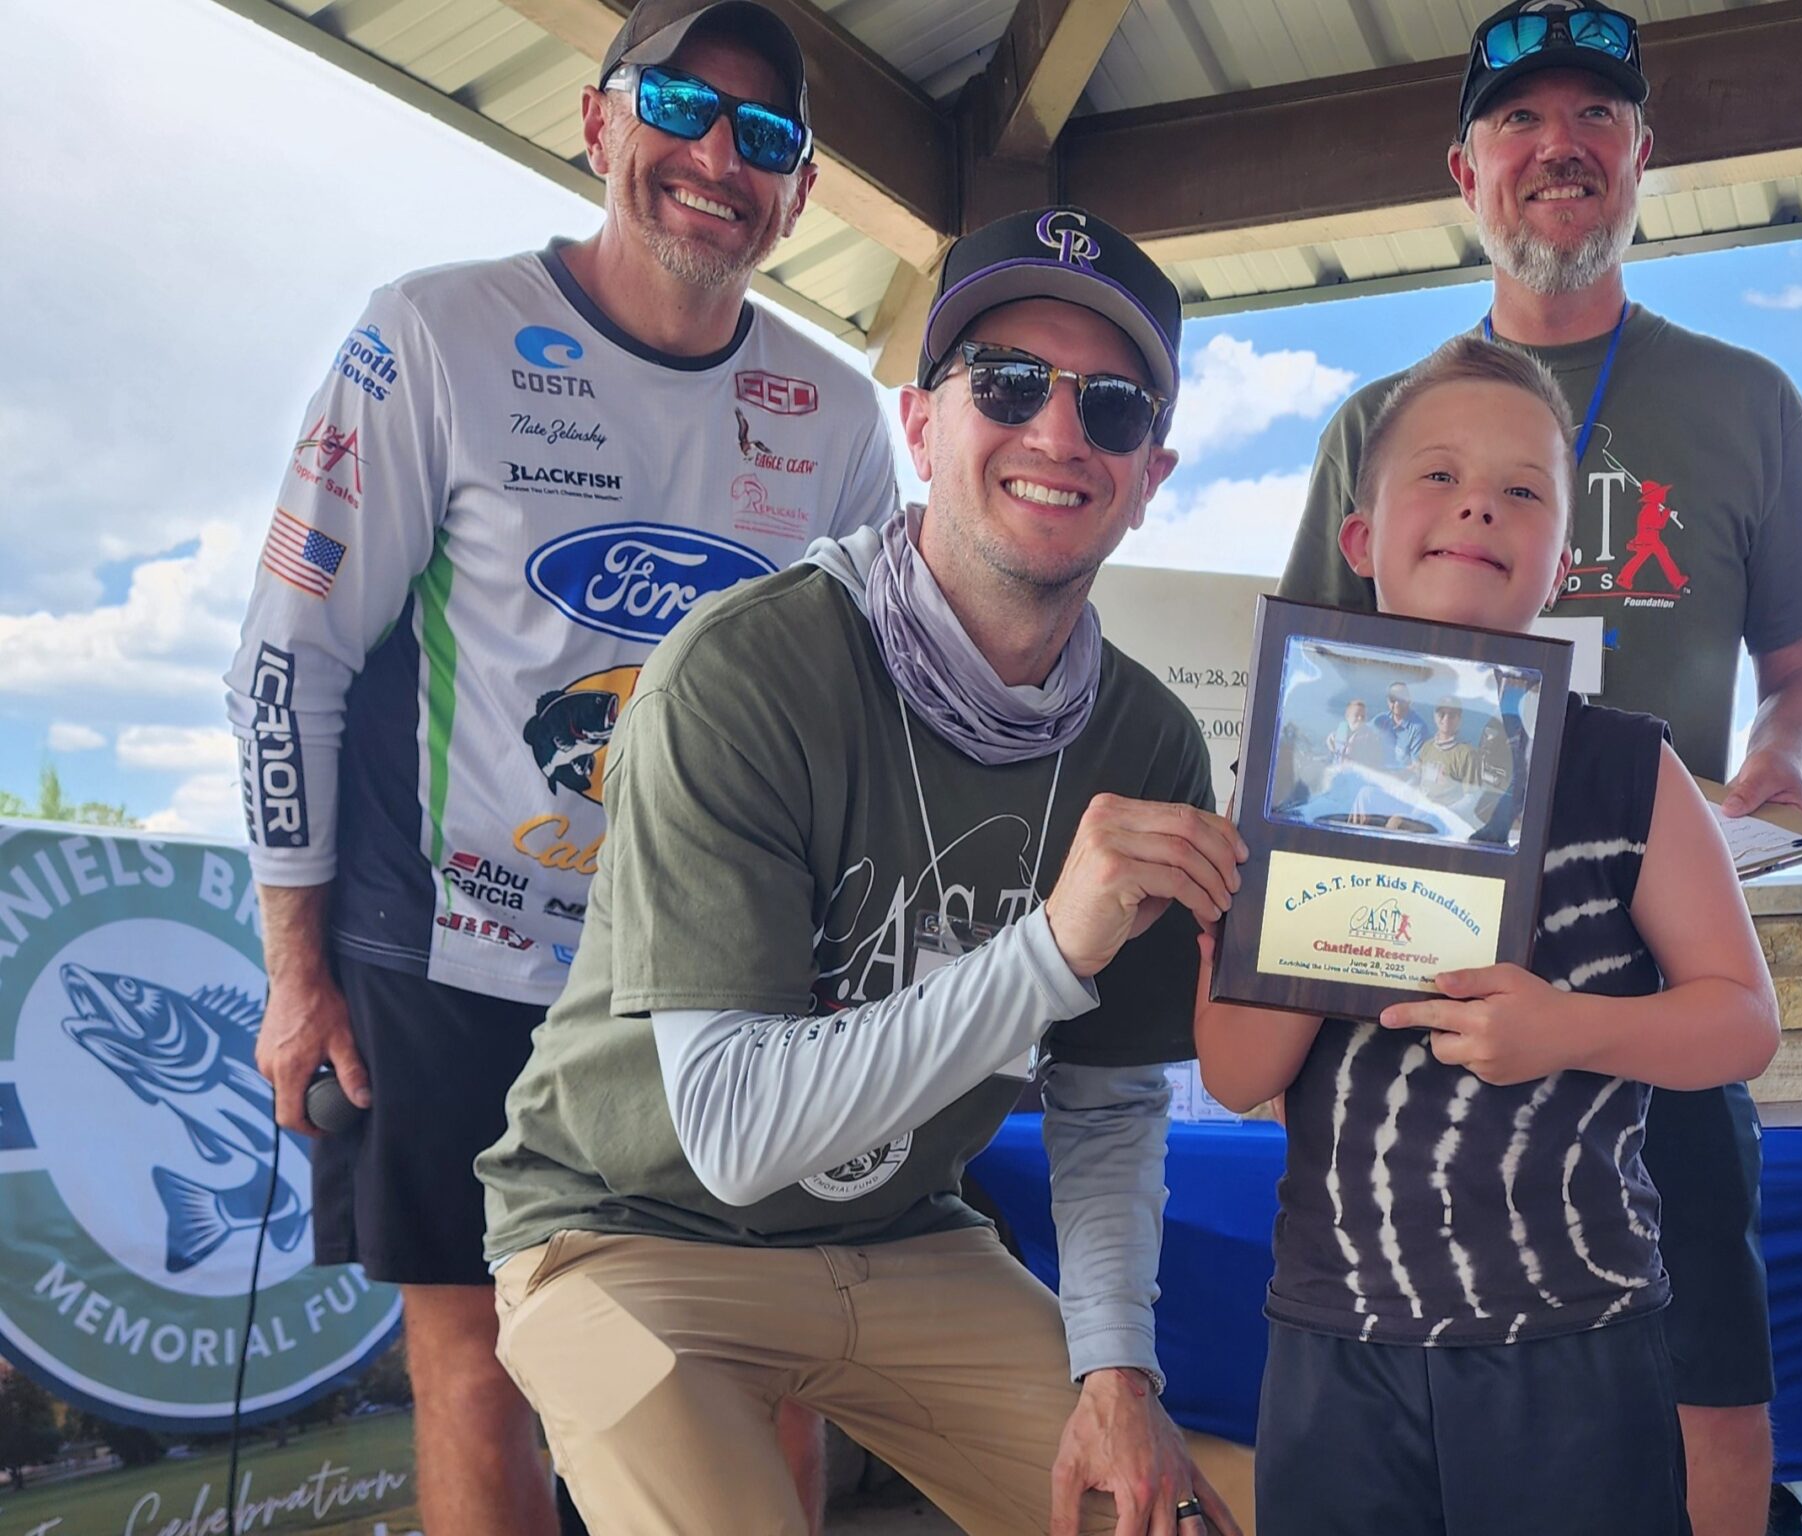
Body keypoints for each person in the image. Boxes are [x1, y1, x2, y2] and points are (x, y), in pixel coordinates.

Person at [224, 4, 898, 1532]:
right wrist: (294, 965)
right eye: (680, 104)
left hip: (708, 979)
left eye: (768, 135)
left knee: (751, 1362)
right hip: (449, 949)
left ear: (796, 195)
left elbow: (865, 724)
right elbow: (287, 657)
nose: (719, 156)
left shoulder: (842, 417)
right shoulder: (429, 332)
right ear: (598, 125)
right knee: (480, 1365)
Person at [477, 204, 1245, 1536]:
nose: (1060, 434)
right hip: (622, 1227)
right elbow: (731, 1135)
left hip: (906, 1239)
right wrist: (1051, 950)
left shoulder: (1150, 740)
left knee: (1176, 1525)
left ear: (1151, 471)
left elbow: (1111, 1104)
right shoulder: (746, 667)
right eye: (1007, 383)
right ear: (920, 424)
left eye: (1111, 408)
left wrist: (1117, 1371)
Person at [1277, 6, 1802, 1528]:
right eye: (1521, 122)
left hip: (1655, 972)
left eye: (1597, 118)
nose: (1561, 148)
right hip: (1409, 999)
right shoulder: (1375, 426)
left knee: (1712, 1376)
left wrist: (1773, 780)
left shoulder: (1746, 401)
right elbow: (1302, 699)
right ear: (1464, 166)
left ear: (1642, 158)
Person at [1200, 335, 1780, 1535]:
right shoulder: (1281, 769)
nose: (1477, 501)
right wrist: (1328, 895)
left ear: (1560, 563)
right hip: (1333, 1332)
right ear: (1357, 539)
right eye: (1437, 475)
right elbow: (1236, 1071)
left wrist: (1563, 1028)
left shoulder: (1632, 769)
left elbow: (1741, 1020)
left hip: (1578, 1335)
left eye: (1521, 489)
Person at [1411, 700, 1480, 803]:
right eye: (1442, 714)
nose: (1446, 719)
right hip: (1422, 805)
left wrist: (1447, 813)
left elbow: (1471, 797)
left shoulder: (1467, 754)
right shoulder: (1427, 746)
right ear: (1435, 717)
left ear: (1459, 719)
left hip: (1444, 812)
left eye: (1452, 715)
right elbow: (1417, 778)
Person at [1368, 682, 1426, 766]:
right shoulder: (1380, 719)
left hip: (1401, 777)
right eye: (1393, 698)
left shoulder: (1418, 728)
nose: (1397, 703)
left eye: (1401, 698)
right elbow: (1359, 728)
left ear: (1409, 700)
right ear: (1387, 701)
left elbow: (1416, 766)